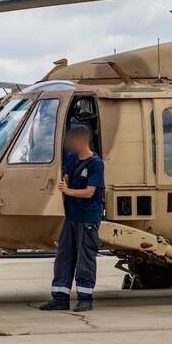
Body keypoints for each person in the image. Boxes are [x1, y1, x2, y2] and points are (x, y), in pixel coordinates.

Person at [39, 124, 105, 312]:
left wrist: (68, 191)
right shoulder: (71, 158)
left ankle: (85, 297)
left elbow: (90, 192)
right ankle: (60, 296)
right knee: (64, 256)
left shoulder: (96, 164)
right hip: (71, 216)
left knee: (85, 257)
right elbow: (66, 178)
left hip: (87, 218)